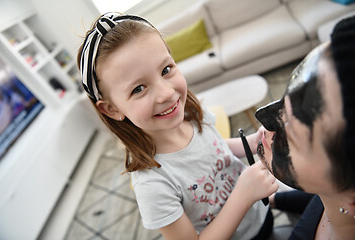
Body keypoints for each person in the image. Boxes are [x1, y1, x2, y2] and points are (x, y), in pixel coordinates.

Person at [77, 12, 278, 239]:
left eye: (165, 70)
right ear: (112, 109)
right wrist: (243, 196)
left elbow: (216, 148)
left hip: (262, 212)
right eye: (138, 88)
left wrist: (253, 143)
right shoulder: (152, 184)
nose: (166, 93)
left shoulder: (191, 116)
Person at [255, 15, 355, 240]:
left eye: (291, 130)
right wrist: (274, 200)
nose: (264, 119)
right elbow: (321, 201)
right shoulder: (337, 195)